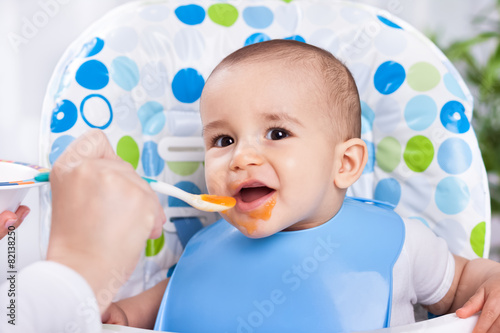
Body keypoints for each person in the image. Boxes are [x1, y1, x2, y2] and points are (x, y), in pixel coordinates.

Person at [86, 40, 500, 332]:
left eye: (277, 133)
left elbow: (462, 282)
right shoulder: (203, 247)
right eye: (223, 140)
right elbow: (165, 300)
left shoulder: (401, 242)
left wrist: (493, 284)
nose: (241, 157)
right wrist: (119, 316)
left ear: (345, 163)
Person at [0, 129, 166, 332]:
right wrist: (125, 315)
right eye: (217, 141)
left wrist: (76, 271)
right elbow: (175, 295)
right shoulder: (198, 250)